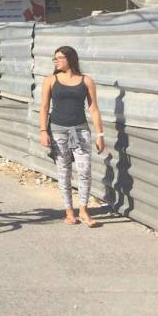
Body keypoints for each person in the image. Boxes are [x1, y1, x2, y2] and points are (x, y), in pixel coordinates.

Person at [38, 45, 106, 227]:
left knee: (84, 170)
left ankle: (83, 210)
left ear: (71, 59)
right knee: (64, 172)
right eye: (55, 58)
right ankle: (69, 212)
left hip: (81, 131)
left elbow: (93, 108)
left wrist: (100, 134)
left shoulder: (86, 81)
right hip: (58, 131)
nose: (56, 61)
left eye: (60, 58)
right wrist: (43, 131)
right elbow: (44, 107)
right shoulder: (50, 80)